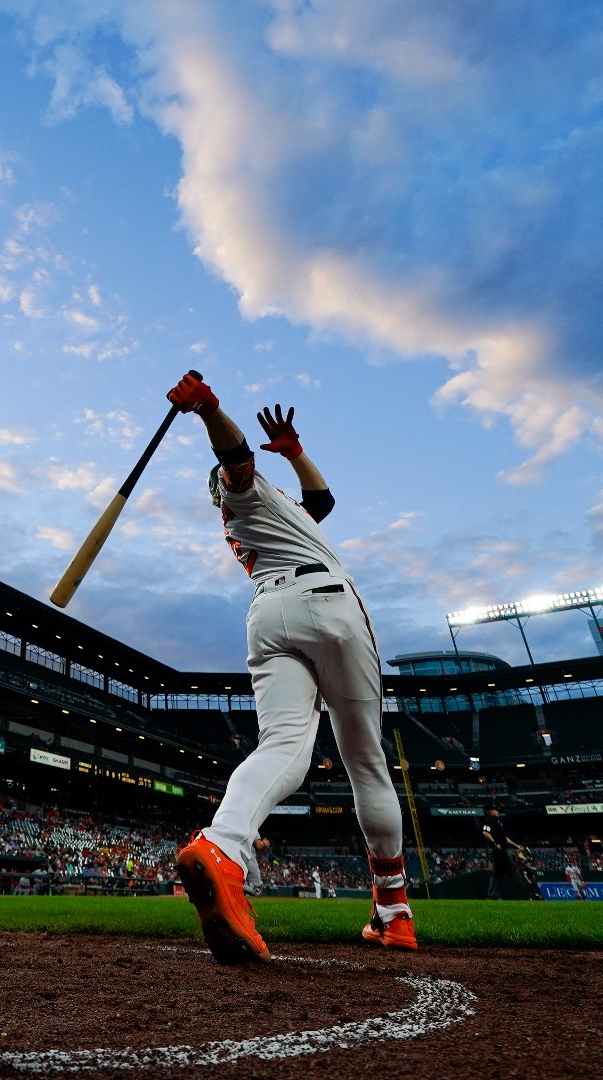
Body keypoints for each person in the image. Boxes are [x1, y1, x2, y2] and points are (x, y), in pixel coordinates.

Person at [166, 372, 416, 962]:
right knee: (365, 761)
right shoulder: (243, 492)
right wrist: (207, 409)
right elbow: (236, 458)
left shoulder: (279, 515)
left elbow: (323, 502)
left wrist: (298, 454)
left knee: (284, 747)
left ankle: (223, 846)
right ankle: (394, 911)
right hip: (326, 603)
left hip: (268, 614)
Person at [481, 807, 533, 899]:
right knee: (514, 872)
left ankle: (491, 896)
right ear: (490, 812)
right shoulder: (489, 820)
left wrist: (516, 845)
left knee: (497, 875)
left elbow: (504, 838)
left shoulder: (497, 822)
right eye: (495, 810)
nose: (497, 811)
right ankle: (529, 895)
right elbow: (485, 833)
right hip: (501, 852)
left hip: (502, 851)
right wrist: (495, 843)